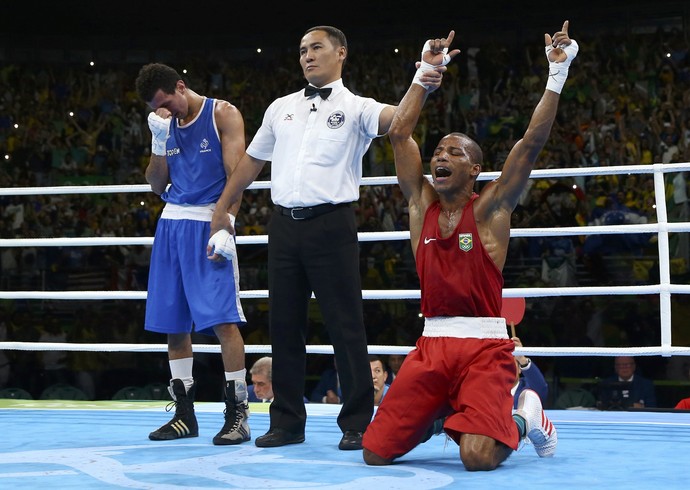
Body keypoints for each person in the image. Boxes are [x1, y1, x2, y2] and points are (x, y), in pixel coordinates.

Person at [363, 23, 579, 470]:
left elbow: (531, 144)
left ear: (476, 170)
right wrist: (425, 73)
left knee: (478, 458)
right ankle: (442, 413)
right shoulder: (420, 204)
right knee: (375, 453)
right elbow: (400, 135)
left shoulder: (492, 209)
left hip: (484, 348)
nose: (442, 156)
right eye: (440, 150)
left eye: (455, 152)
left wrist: (557, 75)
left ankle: (526, 415)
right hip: (431, 344)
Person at [221, 25, 408, 451]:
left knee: (346, 325)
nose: (307, 55)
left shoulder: (357, 106)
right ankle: (287, 422)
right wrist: (222, 211)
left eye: (317, 47)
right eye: (302, 49)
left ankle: (358, 422)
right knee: (284, 326)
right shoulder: (280, 108)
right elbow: (251, 163)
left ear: (341, 52)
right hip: (283, 225)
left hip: (332, 223)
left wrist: (422, 81)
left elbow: (397, 120)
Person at [134, 63, 250, 446]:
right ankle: (185, 416)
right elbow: (156, 184)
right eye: (158, 108)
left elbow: (237, 176)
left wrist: (226, 223)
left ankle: (239, 415)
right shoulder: (163, 123)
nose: (167, 111)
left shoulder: (223, 114)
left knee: (222, 320)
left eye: (169, 103)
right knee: (174, 324)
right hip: (170, 224)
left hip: (208, 222)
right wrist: (157, 138)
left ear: (181, 86)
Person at [511, 336, 548, 407]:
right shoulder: (492, 391)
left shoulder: (527, 389)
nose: (506, 369)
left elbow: (541, 389)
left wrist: (521, 358)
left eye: (510, 364)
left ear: (519, 369)